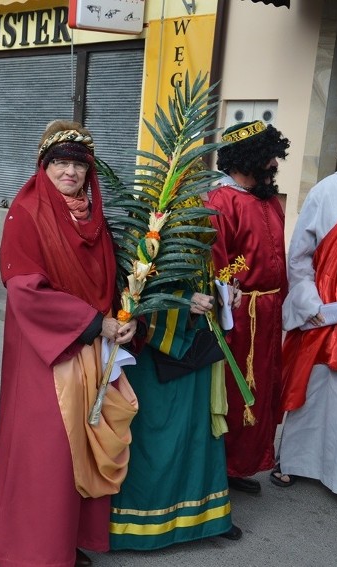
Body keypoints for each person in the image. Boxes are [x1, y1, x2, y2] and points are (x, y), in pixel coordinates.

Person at [0, 121, 137, 567]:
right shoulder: (26, 211)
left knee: (80, 446)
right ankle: (29, 549)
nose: (69, 172)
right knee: (47, 448)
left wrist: (119, 319)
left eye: (78, 164)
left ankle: (64, 541)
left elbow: (106, 278)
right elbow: (25, 288)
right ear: (44, 167)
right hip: (45, 347)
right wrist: (93, 322)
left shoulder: (92, 213)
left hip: (90, 340)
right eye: (60, 163)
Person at [109, 214, 244, 549]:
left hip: (196, 347)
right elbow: (131, 293)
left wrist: (222, 292)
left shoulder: (201, 216)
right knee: (157, 439)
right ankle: (143, 526)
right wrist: (184, 305)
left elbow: (205, 276)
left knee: (197, 435)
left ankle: (204, 518)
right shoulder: (143, 221)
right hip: (157, 355)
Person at [274, 119, 337, 498]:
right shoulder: (327, 192)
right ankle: (297, 462)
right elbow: (299, 256)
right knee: (315, 390)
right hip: (329, 313)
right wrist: (312, 304)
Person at [205, 120, 290, 495]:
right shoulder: (222, 201)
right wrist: (244, 274)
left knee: (265, 390)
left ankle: (241, 466)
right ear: (248, 158)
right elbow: (221, 264)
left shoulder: (269, 200)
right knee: (237, 393)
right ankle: (222, 467)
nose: (274, 163)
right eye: (268, 156)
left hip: (270, 311)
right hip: (241, 313)